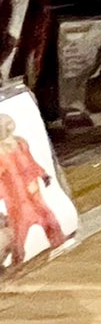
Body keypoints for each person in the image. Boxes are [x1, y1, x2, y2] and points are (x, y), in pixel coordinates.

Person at [0, 110, 71, 268]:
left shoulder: (21, 144)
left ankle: (58, 240)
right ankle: (18, 259)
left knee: (48, 217)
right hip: (17, 199)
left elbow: (31, 163)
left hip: (32, 192)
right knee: (19, 230)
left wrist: (43, 174)